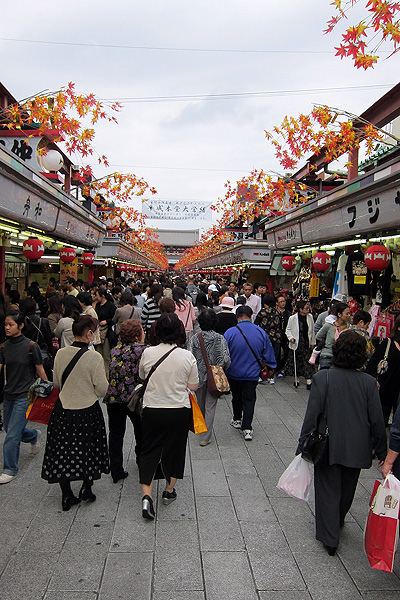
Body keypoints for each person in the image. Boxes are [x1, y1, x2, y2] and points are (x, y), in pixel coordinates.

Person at [298, 331, 387, 556]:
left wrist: (303, 441)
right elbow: (378, 420)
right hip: (358, 445)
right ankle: (337, 520)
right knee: (348, 488)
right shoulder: (369, 383)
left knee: (328, 488)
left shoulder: (323, 378)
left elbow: (313, 413)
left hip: (328, 442)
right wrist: (382, 449)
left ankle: (330, 538)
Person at [41, 314, 109, 510]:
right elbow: (102, 389)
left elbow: (56, 384)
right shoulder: (94, 357)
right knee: (88, 449)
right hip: (87, 410)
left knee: (63, 450)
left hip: (63, 409)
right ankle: (86, 488)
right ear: (88, 334)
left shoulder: (61, 353)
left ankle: (66, 494)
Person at [139, 313, 199, 520]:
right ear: (180, 332)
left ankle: (147, 496)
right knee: (174, 450)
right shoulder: (187, 356)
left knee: (148, 451)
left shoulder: (148, 353)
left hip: (152, 408)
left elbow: (142, 376)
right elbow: (193, 386)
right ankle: (168, 491)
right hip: (178, 410)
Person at [0, 311, 47, 484]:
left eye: (10, 324)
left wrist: (47, 392)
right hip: (8, 393)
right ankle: (33, 435)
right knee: (8, 427)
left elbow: (40, 370)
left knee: (12, 433)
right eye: (5, 324)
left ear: (20, 326)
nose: (7, 327)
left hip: (24, 394)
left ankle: (10, 468)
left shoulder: (30, 346)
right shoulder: (4, 347)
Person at [224, 306, 276, 441]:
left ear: (237, 317)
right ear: (251, 316)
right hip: (252, 374)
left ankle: (237, 418)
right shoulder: (260, 332)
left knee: (236, 396)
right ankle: (247, 427)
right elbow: (268, 353)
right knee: (249, 399)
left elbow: (224, 355)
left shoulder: (230, 333)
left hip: (234, 373)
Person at [103, 319, 146, 482]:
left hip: (114, 397)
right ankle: (141, 461)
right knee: (140, 430)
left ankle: (116, 469)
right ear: (137, 336)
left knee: (115, 434)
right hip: (135, 398)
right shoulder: (144, 350)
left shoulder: (115, 350)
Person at [189, 309, 231, 446]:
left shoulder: (195, 338)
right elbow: (226, 359)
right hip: (215, 376)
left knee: (200, 404)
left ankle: (201, 429)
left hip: (198, 376)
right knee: (210, 406)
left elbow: (190, 357)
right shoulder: (220, 338)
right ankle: (205, 437)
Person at [366, 314, 400, 427]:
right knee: (380, 424)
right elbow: (372, 364)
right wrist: (374, 380)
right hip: (385, 390)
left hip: (398, 394)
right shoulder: (388, 343)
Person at [285, 300, 316, 389]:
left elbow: (312, 331)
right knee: (297, 360)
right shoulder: (293, 318)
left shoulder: (310, 317)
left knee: (308, 361)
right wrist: (290, 337)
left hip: (306, 342)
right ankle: (297, 378)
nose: (308, 310)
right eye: (306, 308)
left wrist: (313, 342)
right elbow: (288, 329)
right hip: (296, 342)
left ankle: (309, 380)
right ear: (301, 309)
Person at [315, 302, 351, 369]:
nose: (349, 315)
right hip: (327, 356)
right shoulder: (329, 325)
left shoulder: (349, 327)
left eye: (349, 313)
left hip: (341, 358)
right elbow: (318, 336)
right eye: (347, 313)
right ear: (339, 314)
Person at [255, 294, 281, 384]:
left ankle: (262, 375)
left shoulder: (263, 312)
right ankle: (271, 376)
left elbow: (256, 323)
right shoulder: (277, 312)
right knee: (273, 357)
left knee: (262, 356)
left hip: (264, 337)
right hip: (276, 337)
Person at [94, 288, 117, 375]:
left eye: (97, 295)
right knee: (99, 353)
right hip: (98, 332)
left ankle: (107, 373)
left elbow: (115, 319)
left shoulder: (110, 306)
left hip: (107, 333)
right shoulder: (97, 305)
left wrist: (107, 321)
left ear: (102, 296)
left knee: (106, 355)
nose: (95, 297)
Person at [275, 294, 291, 379]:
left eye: (284, 301)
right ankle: (277, 369)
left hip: (285, 335)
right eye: (280, 302)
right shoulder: (274, 312)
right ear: (277, 303)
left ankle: (282, 367)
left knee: (286, 352)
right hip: (277, 335)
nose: (283, 303)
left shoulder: (288, 313)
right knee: (277, 352)